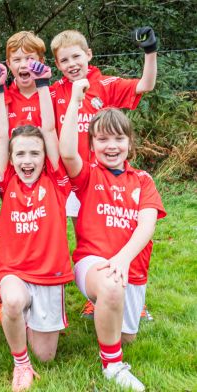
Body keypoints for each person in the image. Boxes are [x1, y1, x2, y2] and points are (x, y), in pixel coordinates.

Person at [59, 79, 165, 391]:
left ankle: (109, 310)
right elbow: (66, 151)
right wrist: (75, 100)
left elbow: (147, 224)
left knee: (127, 335)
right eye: (102, 139)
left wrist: (122, 258)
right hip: (93, 263)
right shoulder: (88, 174)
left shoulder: (143, 180)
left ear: (130, 144)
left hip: (131, 266)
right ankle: (113, 366)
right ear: (91, 145)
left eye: (118, 139)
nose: (111, 146)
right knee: (111, 286)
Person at [50, 27, 159, 319]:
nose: (72, 64)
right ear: (57, 65)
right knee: (86, 234)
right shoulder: (55, 92)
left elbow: (145, 85)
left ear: (89, 55)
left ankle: (128, 285)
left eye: (76, 57)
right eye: (64, 60)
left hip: (111, 178)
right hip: (76, 177)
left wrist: (150, 52)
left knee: (118, 231)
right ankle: (96, 293)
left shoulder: (106, 85)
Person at [0, 65, 73, 391]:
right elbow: (0, 133)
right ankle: (20, 364)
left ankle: (26, 322)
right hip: (14, 271)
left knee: (47, 356)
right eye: (20, 153)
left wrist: (42, 85)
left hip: (50, 275)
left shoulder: (57, 182)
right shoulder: (6, 180)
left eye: (34, 154)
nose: (27, 160)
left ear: (43, 157)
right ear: (11, 158)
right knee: (11, 300)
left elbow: (49, 130)